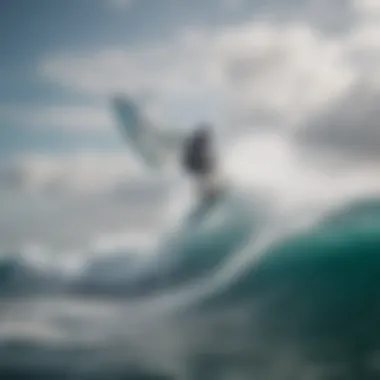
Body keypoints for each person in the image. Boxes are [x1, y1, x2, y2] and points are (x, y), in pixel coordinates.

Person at [182, 124, 220, 202]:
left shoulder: (195, 143)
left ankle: (207, 193)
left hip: (196, 165)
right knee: (204, 178)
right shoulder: (198, 144)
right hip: (197, 165)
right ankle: (208, 193)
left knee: (203, 179)